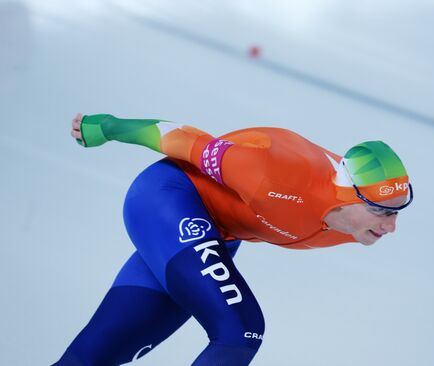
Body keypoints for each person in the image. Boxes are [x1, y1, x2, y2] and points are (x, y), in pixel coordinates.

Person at [55, 113, 413, 366]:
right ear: (349, 196)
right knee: (240, 332)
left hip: (215, 235)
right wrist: (106, 127)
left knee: (96, 355)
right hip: (169, 197)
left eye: (397, 212)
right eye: (383, 212)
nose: (391, 227)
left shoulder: (357, 225)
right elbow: (181, 137)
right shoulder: (275, 174)